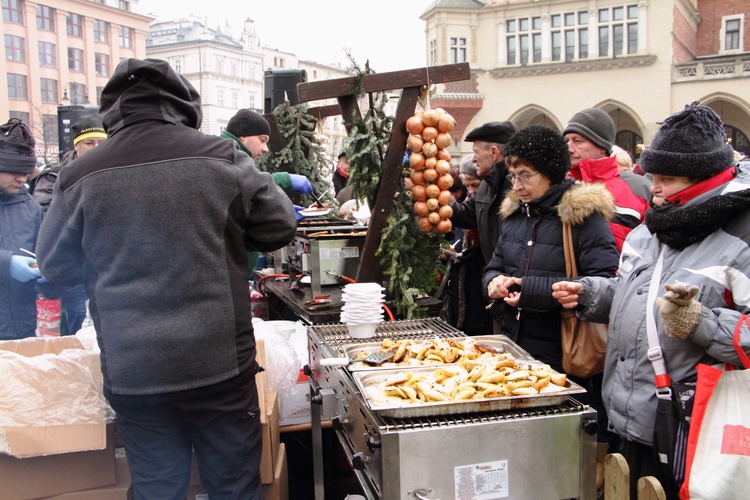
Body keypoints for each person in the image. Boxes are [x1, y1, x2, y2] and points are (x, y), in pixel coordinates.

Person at [37, 58, 297, 500]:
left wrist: (107, 252)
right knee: (233, 487)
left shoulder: (81, 173)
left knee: (158, 488)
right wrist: (224, 230)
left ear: (113, 109)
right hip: (219, 364)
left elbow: (55, 266)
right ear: (184, 105)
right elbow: (280, 226)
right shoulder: (222, 156)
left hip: (135, 369)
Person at [552, 102, 750, 499]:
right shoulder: (651, 230)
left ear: (707, 179)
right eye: (652, 175)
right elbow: (634, 293)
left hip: (692, 426)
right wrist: (593, 294)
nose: (653, 187)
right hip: (629, 415)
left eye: (667, 179)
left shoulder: (740, 240)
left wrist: (701, 323)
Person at [482, 125, 619, 488]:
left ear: (552, 172)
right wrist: (492, 282)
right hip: (513, 349)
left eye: (526, 175)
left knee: (556, 455)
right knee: (517, 448)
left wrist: (530, 291)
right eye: (514, 176)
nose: (518, 185)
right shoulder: (514, 215)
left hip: (562, 355)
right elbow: (495, 265)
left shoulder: (583, 217)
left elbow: (603, 285)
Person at [31, 114, 108, 335]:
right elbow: (47, 222)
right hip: (75, 269)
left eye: (102, 143)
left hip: (104, 268)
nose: (96, 148)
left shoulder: (112, 173)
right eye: (89, 143)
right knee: (78, 322)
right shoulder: (54, 177)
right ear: (76, 145)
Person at [221, 108, 313, 272]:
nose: (266, 149)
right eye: (262, 140)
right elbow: (250, 182)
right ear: (242, 135)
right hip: (227, 274)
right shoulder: (228, 157)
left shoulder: (229, 155)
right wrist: (285, 179)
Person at [563, 108, 648, 252]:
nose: (569, 148)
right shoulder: (558, 187)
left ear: (602, 147)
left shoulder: (635, 190)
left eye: (577, 141)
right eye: (567, 141)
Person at [449, 121, 518, 267]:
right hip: (494, 279)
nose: (473, 159)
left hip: (514, 282)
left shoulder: (518, 186)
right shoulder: (487, 184)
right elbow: (466, 214)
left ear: (494, 152)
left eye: (476, 152)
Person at [0, 118, 42, 340]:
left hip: (21, 327)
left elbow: (39, 252)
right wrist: (6, 264)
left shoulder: (31, 207)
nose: (22, 178)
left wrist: (48, 274)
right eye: (13, 171)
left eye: (25, 171)